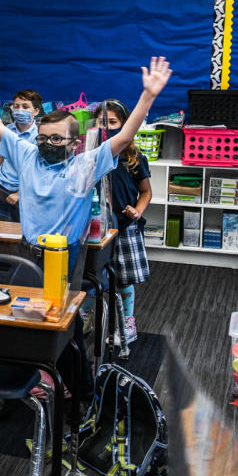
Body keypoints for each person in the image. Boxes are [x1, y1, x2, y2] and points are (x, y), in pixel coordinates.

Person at [0, 51, 170, 275]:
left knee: (56, 305)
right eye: (42, 138)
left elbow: (123, 137)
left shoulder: (84, 165)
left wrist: (148, 96)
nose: (47, 144)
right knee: (26, 299)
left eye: (56, 139)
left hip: (62, 251)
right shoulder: (28, 154)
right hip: (27, 246)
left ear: (74, 143)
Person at [95, 99, 151, 342]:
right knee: (93, 276)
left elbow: (146, 192)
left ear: (125, 125)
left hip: (125, 227)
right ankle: (89, 317)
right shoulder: (91, 154)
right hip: (96, 226)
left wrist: (137, 211)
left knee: (124, 280)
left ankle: (127, 322)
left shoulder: (134, 157)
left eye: (113, 122)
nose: (106, 127)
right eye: (101, 122)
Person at [0, 89, 43, 221]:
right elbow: (1, 157)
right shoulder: (8, 130)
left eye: (25, 107)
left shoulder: (39, 136)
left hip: (22, 193)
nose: (20, 110)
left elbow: (37, 170)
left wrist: (19, 193)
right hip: (0, 188)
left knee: (18, 233)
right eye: (16, 106)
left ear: (36, 111)